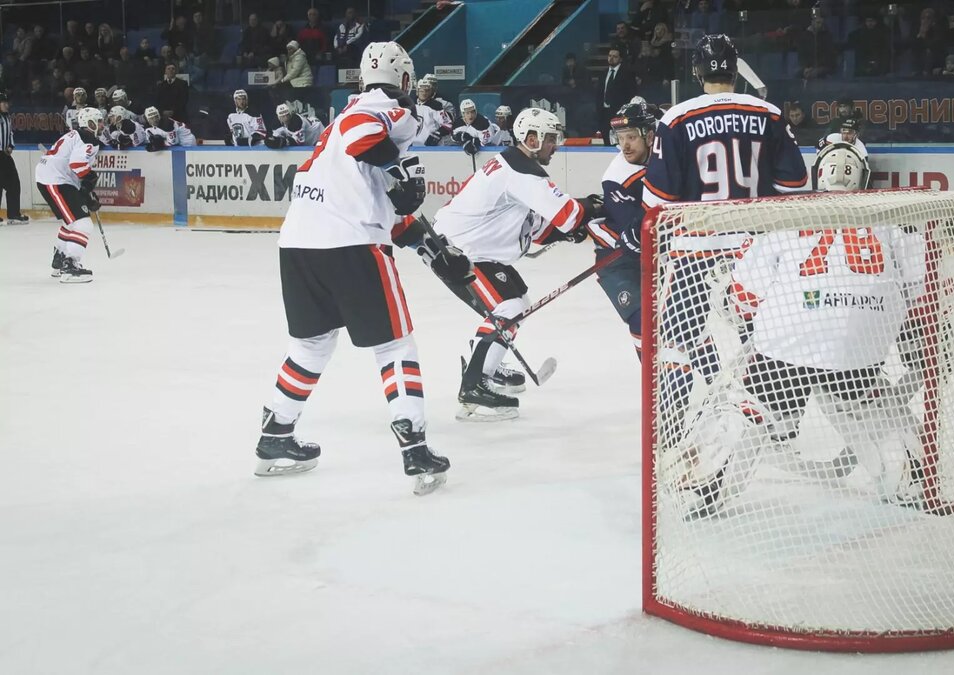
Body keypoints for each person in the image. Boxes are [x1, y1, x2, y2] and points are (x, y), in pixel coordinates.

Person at [256, 41, 468, 495]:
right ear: (405, 81)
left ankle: (275, 436)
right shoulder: (385, 109)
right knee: (395, 346)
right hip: (350, 245)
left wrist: (431, 245)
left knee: (310, 346)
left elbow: (375, 196)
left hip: (298, 242)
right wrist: (401, 170)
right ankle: (414, 449)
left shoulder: (345, 118)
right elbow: (362, 138)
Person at [705, 143, 927, 518]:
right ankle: (907, 478)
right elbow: (922, 289)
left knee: (749, 404)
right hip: (863, 351)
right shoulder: (889, 222)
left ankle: (705, 483)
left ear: (818, 172)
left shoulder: (786, 217)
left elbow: (742, 297)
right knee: (869, 403)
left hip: (787, 347)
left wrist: (730, 304)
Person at [642, 33, 808, 476]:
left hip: (696, 249)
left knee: (676, 342)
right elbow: (795, 185)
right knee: (769, 337)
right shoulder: (768, 113)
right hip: (754, 251)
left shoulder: (676, 118)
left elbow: (657, 197)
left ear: (697, 72)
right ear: (735, 69)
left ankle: (672, 426)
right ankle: (781, 417)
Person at [432, 107, 602, 421]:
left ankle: (486, 366)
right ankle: (474, 389)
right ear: (532, 139)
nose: (556, 144)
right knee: (507, 308)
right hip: (457, 253)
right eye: (550, 138)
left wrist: (567, 232)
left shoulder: (514, 165)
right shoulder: (522, 171)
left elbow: (537, 228)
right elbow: (569, 216)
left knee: (517, 301)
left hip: (468, 250)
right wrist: (593, 206)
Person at [585, 101, 663, 360]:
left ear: (650, 137)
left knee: (684, 323)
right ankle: (656, 388)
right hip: (616, 257)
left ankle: (715, 379)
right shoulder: (616, 177)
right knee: (642, 319)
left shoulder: (665, 153)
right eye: (620, 138)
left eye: (631, 137)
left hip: (659, 255)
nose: (625, 145)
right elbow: (640, 233)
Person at [36, 107, 105, 283]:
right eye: (99, 121)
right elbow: (77, 165)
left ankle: (60, 257)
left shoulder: (76, 134)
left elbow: (75, 167)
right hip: (55, 180)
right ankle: (70, 265)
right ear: (89, 123)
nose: (102, 124)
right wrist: (91, 178)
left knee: (71, 222)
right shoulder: (88, 138)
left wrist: (86, 193)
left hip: (54, 178)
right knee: (83, 224)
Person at [596, 47, 637, 142]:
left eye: (615, 56)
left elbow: (632, 93)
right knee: (606, 140)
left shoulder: (627, 73)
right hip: (604, 113)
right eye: (610, 56)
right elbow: (599, 93)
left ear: (620, 59)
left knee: (620, 140)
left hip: (619, 113)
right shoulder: (603, 73)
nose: (611, 58)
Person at [0, 93, 29, 224]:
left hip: (5, 156)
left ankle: (13, 214)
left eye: (7, 102)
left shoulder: (7, 117)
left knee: (14, 185)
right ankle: (13, 214)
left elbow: (10, 133)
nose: (7, 105)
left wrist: (11, 146)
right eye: (3, 102)